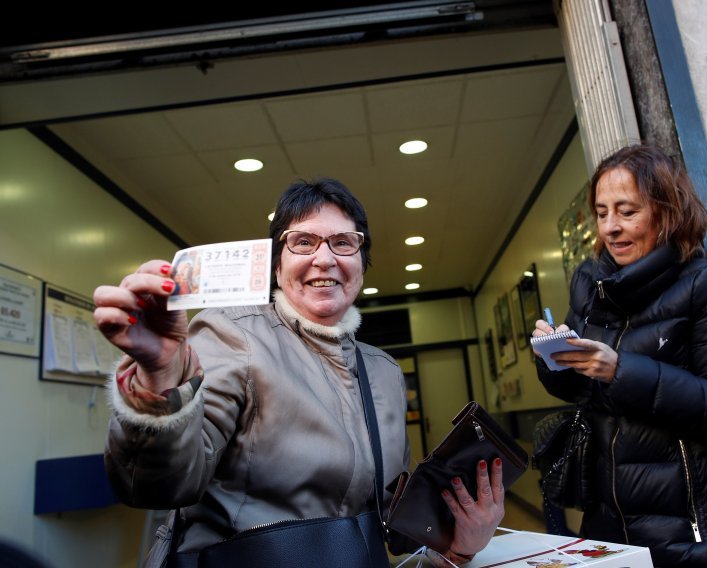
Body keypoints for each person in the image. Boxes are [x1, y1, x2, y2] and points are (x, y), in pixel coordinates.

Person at [94, 178, 505, 567]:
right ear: (276, 266)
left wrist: (458, 545)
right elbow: (156, 486)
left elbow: (392, 526)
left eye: (343, 243)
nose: (324, 258)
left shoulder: (383, 370)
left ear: (362, 265)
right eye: (302, 242)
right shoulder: (231, 333)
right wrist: (159, 378)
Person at [531, 144, 707, 566]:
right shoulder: (591, 286)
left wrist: (620, 371)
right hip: (616, 533)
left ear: (667, 211)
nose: (610, 228)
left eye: (627, 211)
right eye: (602, 213)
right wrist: (553, 356)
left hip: (706, 535)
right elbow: (579, 391)